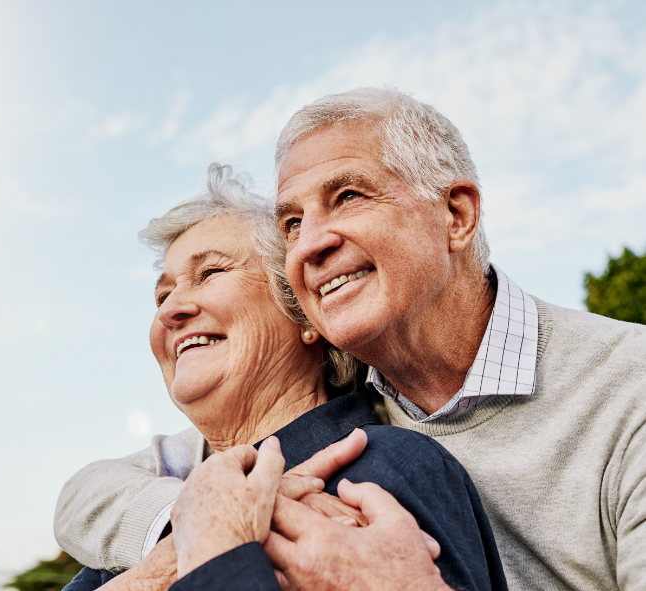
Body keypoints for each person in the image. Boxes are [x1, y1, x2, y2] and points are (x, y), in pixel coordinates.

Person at [57, 88, 646, 590]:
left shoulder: (627, 387)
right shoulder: (232, 467)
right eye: (291, 224)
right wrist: (186, 527)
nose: (311, 244)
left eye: (349, 196)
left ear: (457, 215)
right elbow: (86, 492)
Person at [57, 164, 506, 591]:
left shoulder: (384, 469)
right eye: (163, 293)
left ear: (304, 311)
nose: (170, 311)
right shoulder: (148, 521)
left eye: (210, 272)